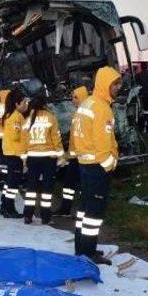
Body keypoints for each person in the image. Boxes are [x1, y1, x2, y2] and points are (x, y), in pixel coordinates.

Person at [71, 66, 121, 264]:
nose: (118, 87)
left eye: (119, 84)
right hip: (97, 167)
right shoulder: (101, 108)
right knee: (94, 213)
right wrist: (110, 165)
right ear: (104, 84)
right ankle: (88, 252)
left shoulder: (88, 103)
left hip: (85, 164)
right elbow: (103, 145)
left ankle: (82, 247)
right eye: (114, 84)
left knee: (84, 209)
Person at [21, 95, 64, 225]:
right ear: (45, 105)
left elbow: (23, 141)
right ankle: (46, 217)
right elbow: (56, 139)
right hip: (48, 158)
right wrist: (61, 156)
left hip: (32, 158)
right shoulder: (51, 118)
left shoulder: (28, 120)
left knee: (31, 187)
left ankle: (28, 215)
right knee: (47, 189)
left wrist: (24, 159)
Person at [56, 84, 90, 217]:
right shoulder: (78, 113)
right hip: (75, 157)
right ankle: (65, 209)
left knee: (80, 185)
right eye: (72, 98)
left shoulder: (84, 114)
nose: (72, 100)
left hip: (82, 157)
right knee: (69, 183)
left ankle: (84, 210)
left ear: (82, 98)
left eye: (75, 98)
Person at [0, 90, 29, 218]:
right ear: (17, 104)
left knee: (9, 182)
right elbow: (15, 136)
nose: (26, 104)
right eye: (24, 102)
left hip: (10, 152)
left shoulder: (11, 115)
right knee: (13, 184)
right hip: (15, 154)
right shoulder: (16, 117)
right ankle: (9, 209)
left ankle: (4, 206)